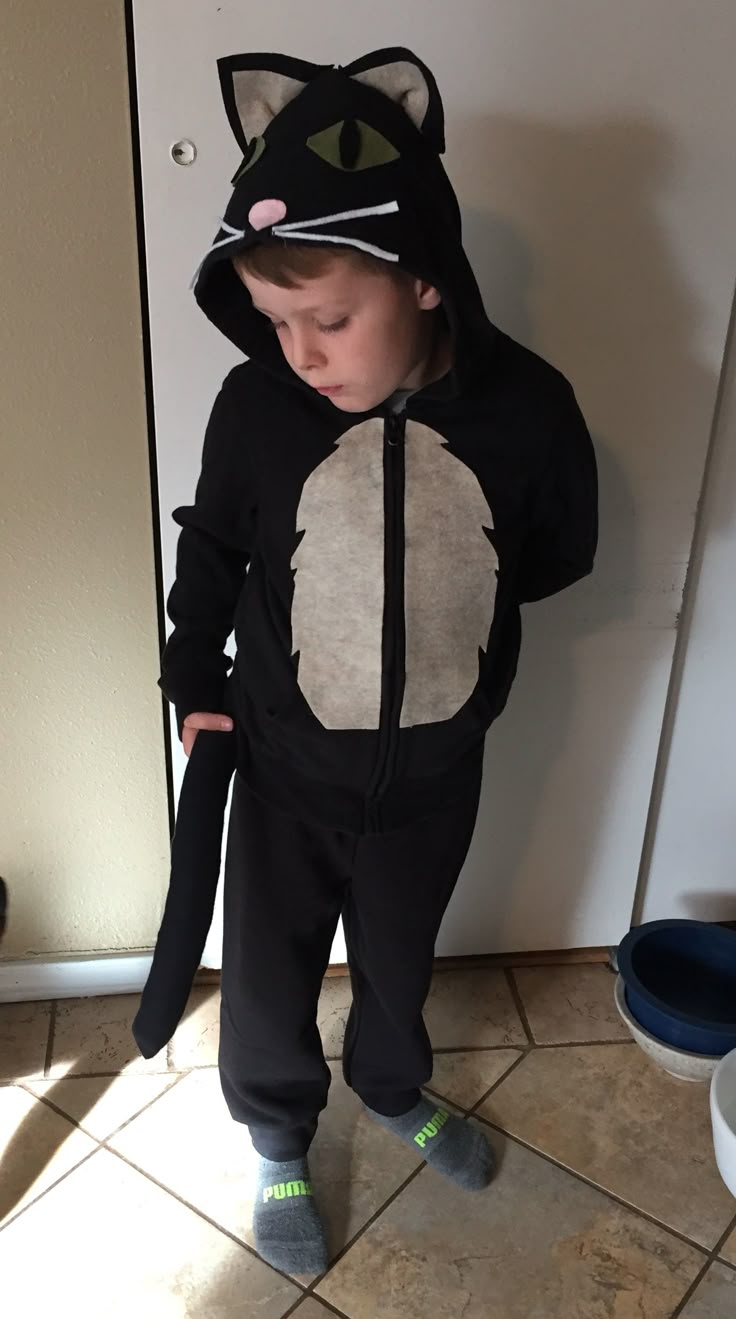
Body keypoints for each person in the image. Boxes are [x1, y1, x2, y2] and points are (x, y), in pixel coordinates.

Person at [155, 46, 598, 1275]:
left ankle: (395, 1087)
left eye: (330, 318)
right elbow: (213, 548)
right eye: (275, 319)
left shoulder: (529, 409)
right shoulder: (257, 411)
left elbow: (556, 549)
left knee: (399, 962)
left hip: (431, 780)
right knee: (267, 965)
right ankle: (279, 1131)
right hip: (286, 768)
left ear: (424, 282)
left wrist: (456, 635)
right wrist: (193, 680)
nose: (299, 350)